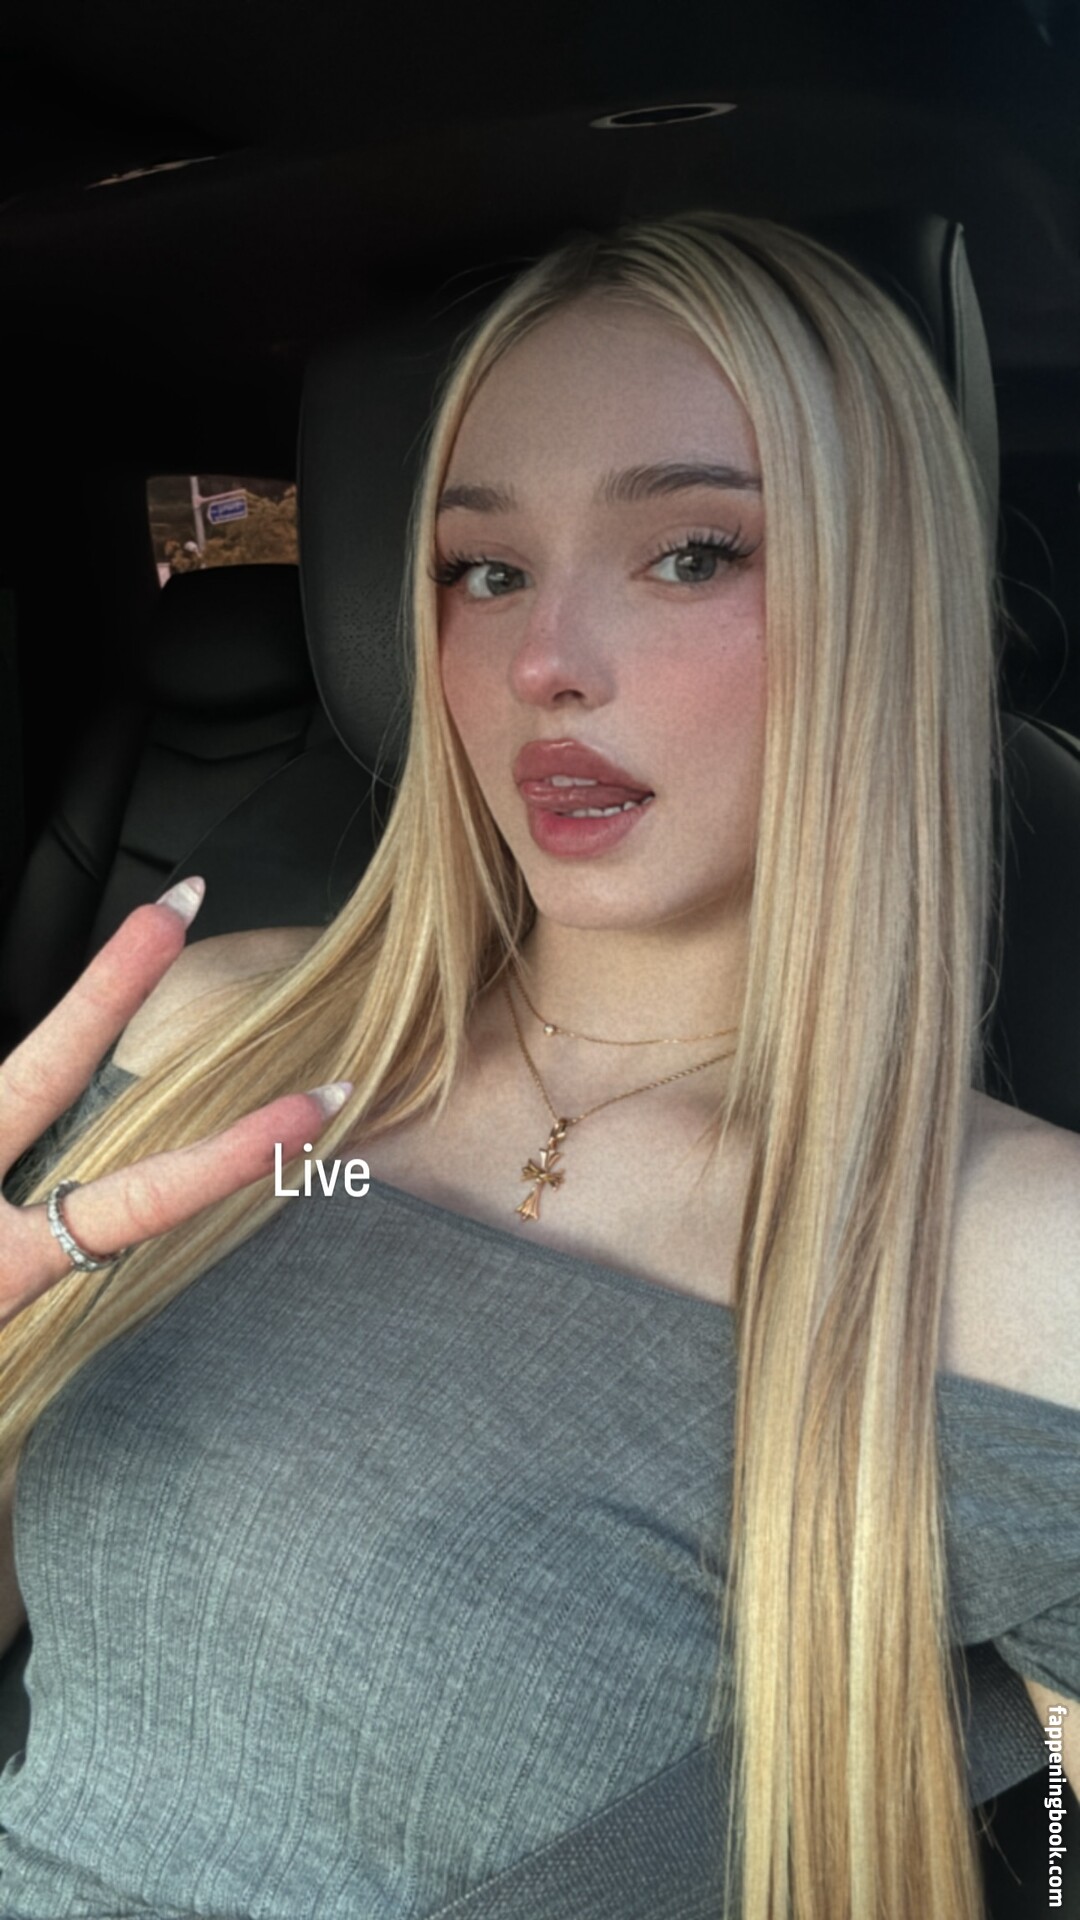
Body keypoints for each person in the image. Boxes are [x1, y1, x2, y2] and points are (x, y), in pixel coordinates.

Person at [0, 211, 1076, 1920]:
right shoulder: (220, 1035)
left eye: (692, 554)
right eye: (483, 572)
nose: (540, 661)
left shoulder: (1018, 1263)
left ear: (886, 606)